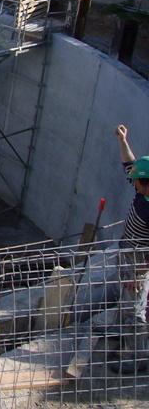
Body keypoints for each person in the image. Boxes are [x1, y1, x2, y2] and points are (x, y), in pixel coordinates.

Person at [112, 124, 149, 372]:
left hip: (138, 261)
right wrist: (123, 140)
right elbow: (130, 164)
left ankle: (137, 358)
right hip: (128, 253)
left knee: (135, 309)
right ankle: (122, 338)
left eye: (136, 181)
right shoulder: (143, 193)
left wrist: (138, 273)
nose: (132, 182)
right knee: (127, 302)